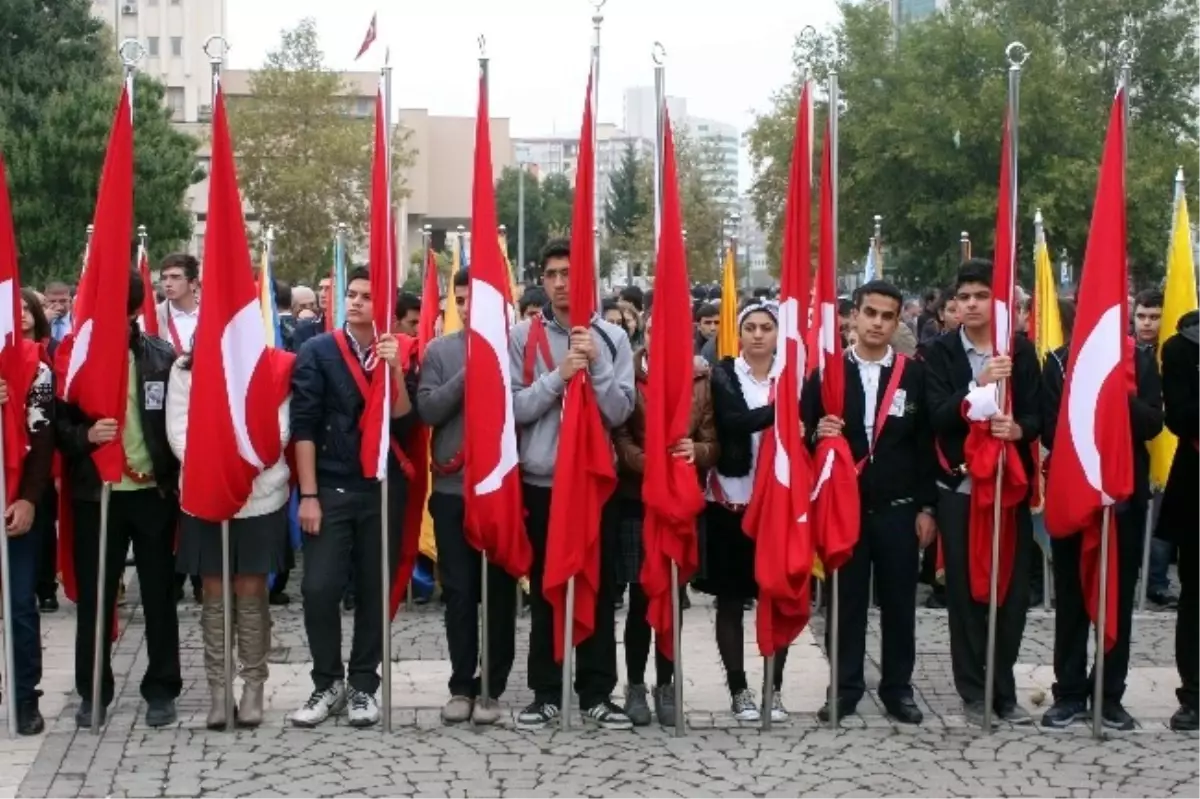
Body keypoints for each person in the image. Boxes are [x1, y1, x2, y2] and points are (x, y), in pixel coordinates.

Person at [508, 239, 635, 730]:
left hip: (593, 484)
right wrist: (559, 376)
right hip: (542, 481)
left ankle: (598, 691)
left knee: (598, 589)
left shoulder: (611, 339)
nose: (562, 283)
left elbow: (619, 410)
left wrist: (595, 364)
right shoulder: (524, 337)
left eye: (570, 273)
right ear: (542, 280)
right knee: (546, 588)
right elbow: (514, 410)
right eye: (553, 273)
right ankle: (544, 691)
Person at [289, 266, 418, 728]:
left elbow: (405, 420)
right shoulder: (317, 350)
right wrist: (308, 494)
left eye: (367, 295)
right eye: (352, 294)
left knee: (373, 590)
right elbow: (302, 425)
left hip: (382, 486)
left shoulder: (397, 350)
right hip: (330, 483)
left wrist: (396, 369)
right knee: (319, 587)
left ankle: (364, 684)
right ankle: (327, 681)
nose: (358, 301)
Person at [804, 280, 937, 726]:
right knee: (845, 603)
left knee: (900, 604)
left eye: (887, 316)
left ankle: (898, 689)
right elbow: (803, 438)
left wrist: (926, 508)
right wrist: (816, 434)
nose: (877, 323)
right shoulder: (826, 374)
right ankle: (844, 688)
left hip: (899, 509)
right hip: (846, 510)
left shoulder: (913, 373)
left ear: (898, 321)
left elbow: (924, 446)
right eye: (870, 313)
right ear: (853, 316)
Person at [56, 269, 182, 729]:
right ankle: (93, 691)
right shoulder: (76, 359)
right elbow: (58, 428)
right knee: (95, 597)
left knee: (158, 595)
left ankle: (162, 689)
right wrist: (85, 435)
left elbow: (176, 424)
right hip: (97, 494)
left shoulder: (161, 357)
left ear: (130, 308)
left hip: (151, 493)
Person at [923, 259, 1041, 727]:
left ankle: (1003, 689)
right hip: (960, 486)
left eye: (981, 296)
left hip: (1007, 488)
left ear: (998, 301)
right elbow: (937, 415)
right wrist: (979, 385)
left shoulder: (1021, 351)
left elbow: (1038, 415)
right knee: (967, 592)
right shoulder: (939, 353)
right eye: (965, 297)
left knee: (1009, 593)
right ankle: (972, 689)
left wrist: (1019, 429)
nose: (972, 305)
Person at [1039, 306, 1162, 731]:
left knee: (1116, 599)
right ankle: (1069, 693)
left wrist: (1115, 399)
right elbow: (1051, 429)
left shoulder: (1140, 360)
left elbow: (1153, 422)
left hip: (1123, 498)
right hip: (1075, 494)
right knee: (1072, 597)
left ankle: (1109, 694)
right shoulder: (1056, 361)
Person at [166, 349, 292, 729]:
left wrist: (241, 467)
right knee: (215, 592)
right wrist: (215, 468)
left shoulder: (275, 365)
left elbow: (279, 429)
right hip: (206, 492)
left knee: (251, 588)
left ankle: (253, 686)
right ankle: (220, 691)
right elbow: (178, 430)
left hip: (260, 491)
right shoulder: (185, 367)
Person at [418, 269, 516, 726]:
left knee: (497, 591)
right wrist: (469, 372)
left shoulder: (514, 347)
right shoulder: (440, 351)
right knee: (458, 592)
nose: (467, 306)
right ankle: (461, 683)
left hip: (498, 488)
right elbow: (429, 408)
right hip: (454, 490)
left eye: (474, 298)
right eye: (459, 299)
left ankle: (492, 687)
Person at [611, 316, 718, 727]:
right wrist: (650, 463)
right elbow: (620, 437)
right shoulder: (630, 374)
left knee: (672, 598)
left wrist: (699, 450)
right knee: (641, 597)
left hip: (680, 503)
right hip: (639, 499)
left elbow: (713, 442)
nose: (662, 339)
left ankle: (667, 684)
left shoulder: (699, 380)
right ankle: (636, 685)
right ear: (645, 335)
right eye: (655, 331)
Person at [693, 301, 789, 723]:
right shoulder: (723, 374)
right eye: (749, 327)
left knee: (778, 599)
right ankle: (738, 689)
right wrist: (783, 414)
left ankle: (775, 687)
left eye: (766, 327)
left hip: (778, 506)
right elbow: (733, 421)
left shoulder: (792, 377)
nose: (757, 335)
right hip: (730, 500)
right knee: (731, 601)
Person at [0, 290, 56, 734]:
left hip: (15, 502)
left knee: (20, 604)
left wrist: (28, 500)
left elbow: (42, 442)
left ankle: (25, 699)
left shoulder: (37, 368)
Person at [1156, 309, 1200, 731]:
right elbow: (1180, 416)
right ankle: (1195, 696)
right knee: (1197, 596)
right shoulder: (1183, 346)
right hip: (1198, 487)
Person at [20, 290, 60, 612]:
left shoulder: (50, 353)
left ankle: (46, 585)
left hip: (40, 455)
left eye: (26, 308)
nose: (21, 314)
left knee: (43, 523)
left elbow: (47, 422)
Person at [155, 253, 201, 355]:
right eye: (164, 278)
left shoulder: (210, 316)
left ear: (193, 283)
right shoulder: (154, 317)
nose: (168, 284)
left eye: (175, 277)